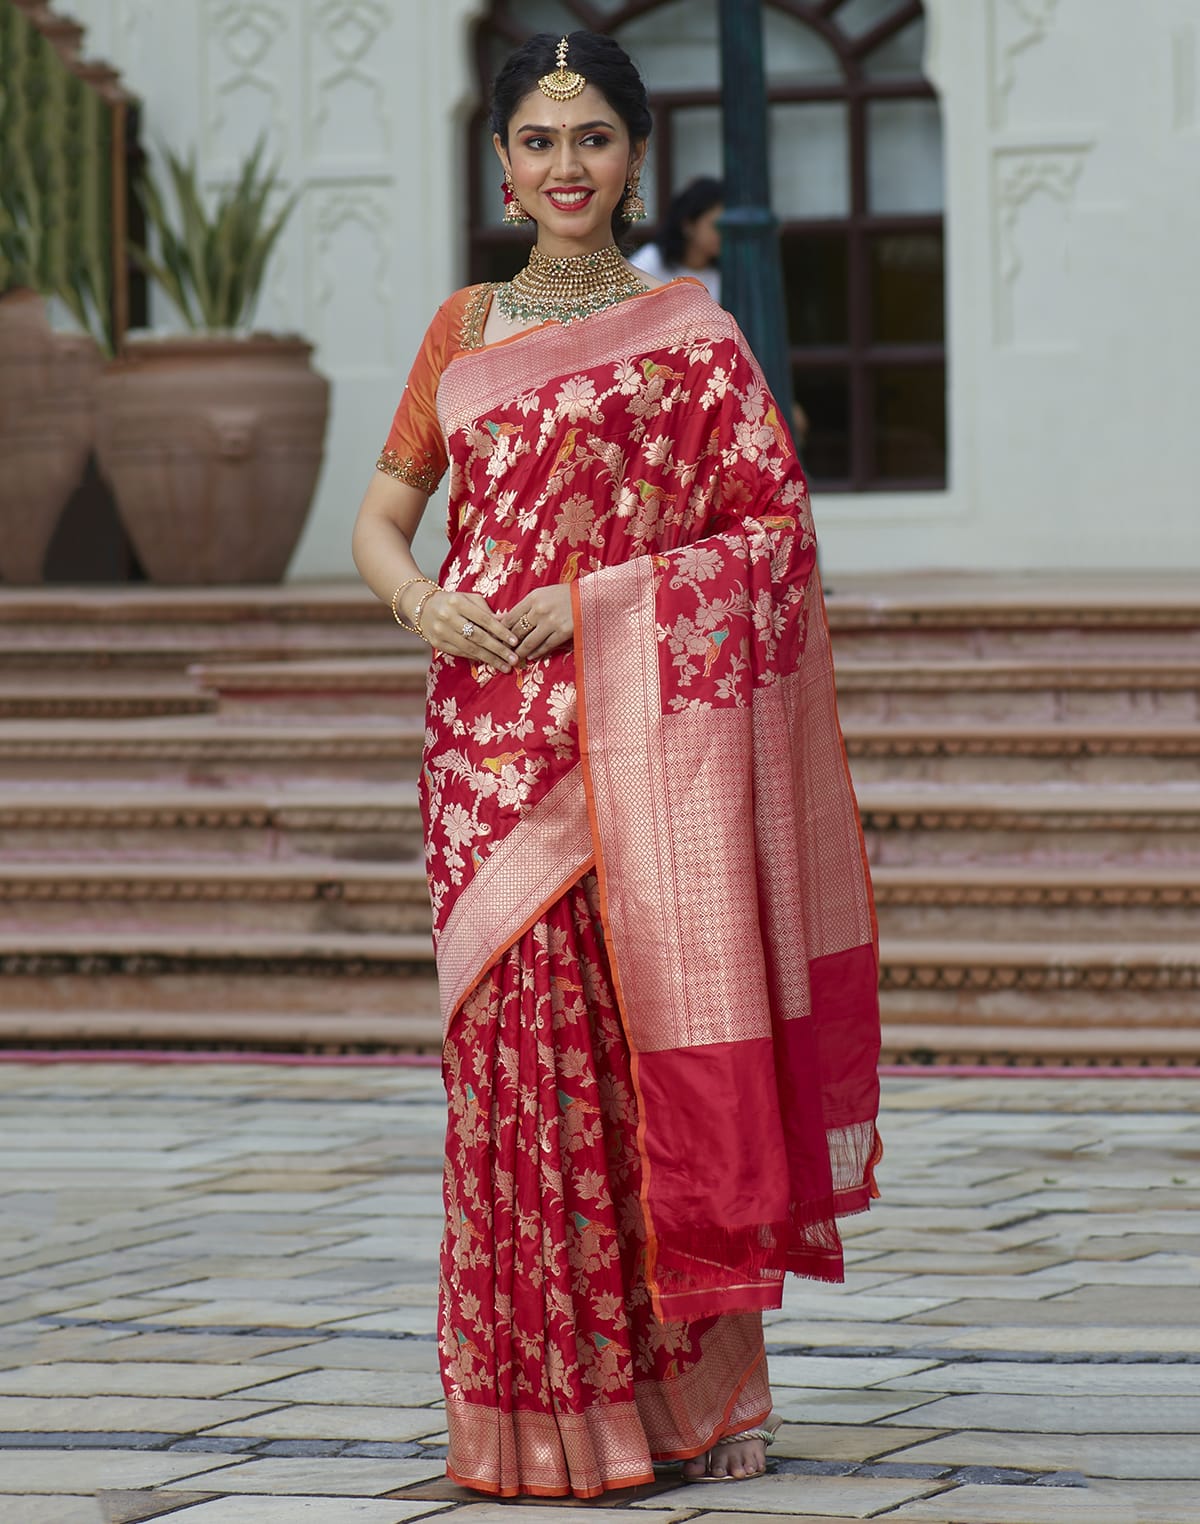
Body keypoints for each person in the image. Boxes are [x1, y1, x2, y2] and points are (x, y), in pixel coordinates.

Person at [351, 30, 881, 1502]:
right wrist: (419, 600)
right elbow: (383, 514)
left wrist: (589, 607)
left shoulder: (690, 335)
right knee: (516, 1080)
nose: (566, 165)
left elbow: (772, 537)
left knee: (638, 1064)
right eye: (538, 138)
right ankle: (530, 1415)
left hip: (641, 747)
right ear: (503, 163)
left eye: (593, 137)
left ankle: (669, 1405)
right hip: (485, 752)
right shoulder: (462, 329)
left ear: (636, 155)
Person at [630, 174, 724, 301]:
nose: (723, 234)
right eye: (716, 226)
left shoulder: (725, 273)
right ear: (689, 225)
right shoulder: (653, 260)